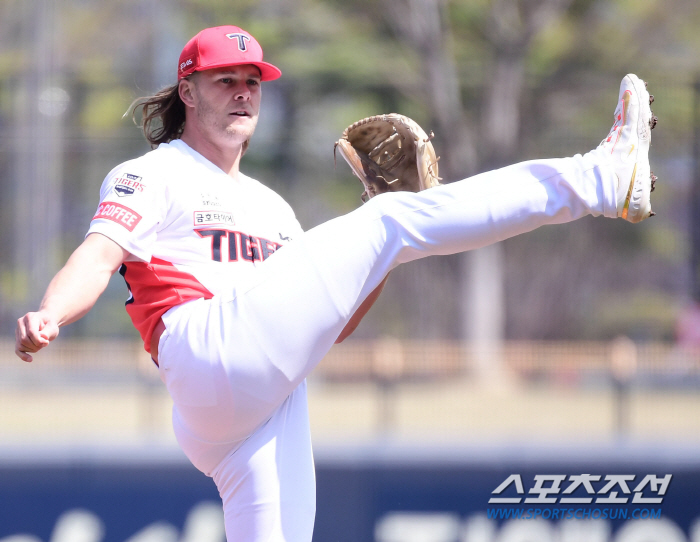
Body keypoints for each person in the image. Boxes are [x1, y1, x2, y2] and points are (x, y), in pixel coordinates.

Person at [15, 25, 655, 542]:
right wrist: (50, 313)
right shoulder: (155, 173)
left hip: (259, 395)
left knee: (389, 228)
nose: (243, 92)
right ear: (188, 89)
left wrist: (384, 249)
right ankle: (600, 178)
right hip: (203, 349)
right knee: (388, 220)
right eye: (225, 81)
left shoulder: (274, 208)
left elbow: (337, 323)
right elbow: (98, 257)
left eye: (253, 82)